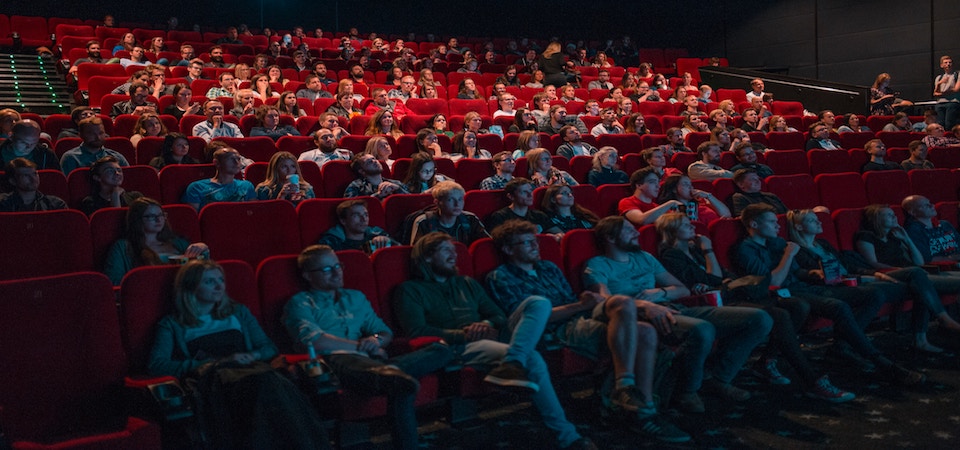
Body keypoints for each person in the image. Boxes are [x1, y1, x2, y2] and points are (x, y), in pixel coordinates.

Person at [484, 220, 691, 443]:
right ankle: (645, 413)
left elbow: (573, 302)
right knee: (645, 333)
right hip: (558, 328)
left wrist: (588, 303)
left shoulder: (548, 268)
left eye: (535, 241)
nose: (535, 246)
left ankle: (626, 388)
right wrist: (580, 306)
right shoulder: (501, 276)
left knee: (623, 303)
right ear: (507, 249)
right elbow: (530, 320)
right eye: (526, 243)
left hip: (580, 315)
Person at [395, 233, 599, 450]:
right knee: (532, 357)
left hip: (493, 335)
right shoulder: (409, 290)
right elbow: (417, 330)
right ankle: (568, 437)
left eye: (454, 250)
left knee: (538, 302)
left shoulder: (466, 283)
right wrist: (464, 333)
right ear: (427, 257)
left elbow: (498, 316)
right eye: (446, 250)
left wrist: (485, 323)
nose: (454, 255)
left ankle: (512, 363)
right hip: (460, 346)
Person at [656, 212, 856, 402]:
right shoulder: (671, 254)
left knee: (797, 305)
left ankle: (767, 361)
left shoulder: (694, 251)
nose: (692, 225)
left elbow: (717, 276)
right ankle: (812, 379)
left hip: (735, 292)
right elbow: (715, 278)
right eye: (684, 224)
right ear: (672, 230)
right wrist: (708, 251)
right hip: (720, 300)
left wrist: (709, 260)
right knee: (779, 315)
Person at [585, 216, 772, 412]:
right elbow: (605, 301)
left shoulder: (645, 258)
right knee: (702, 329)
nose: (637, 233)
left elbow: (682, 290)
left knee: (759, 319)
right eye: (629, 230)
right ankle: (687, 392)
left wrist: (659, 292)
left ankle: (718, 378)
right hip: (639, 316)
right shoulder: (597, 264)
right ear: (610, 238)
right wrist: (643, 305)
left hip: (672, 306)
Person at [148, 260, 331, 450]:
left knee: (271, 383)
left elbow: (268, 348)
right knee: (267, 385)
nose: (220, 286)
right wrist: (213, 362)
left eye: (221, 280)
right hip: (215, 379)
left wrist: (252, 355)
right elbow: (158, 364)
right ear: (190, 286)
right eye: (210, 282)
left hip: (252, 370)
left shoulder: (237, 312)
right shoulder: (172, 324)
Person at [733, 204, 925, 384]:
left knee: (872, 294)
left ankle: (842, 347)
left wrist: (813, 273)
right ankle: (881, 361)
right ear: (754, 224)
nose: (777, 226)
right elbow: (773, 282)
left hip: (804, 286)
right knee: (838, 306)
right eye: (772, 222)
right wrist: (788, 255)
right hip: (785, 294)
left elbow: (797, 272)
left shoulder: (777, 243)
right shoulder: (745, 249)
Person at [284, 246, 450, 449]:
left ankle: (390, 374)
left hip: (371, 361)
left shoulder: (355, 298)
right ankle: (391, 377)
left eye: (338, 266)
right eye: (327, 269)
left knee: (440, 349)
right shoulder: (300, 302)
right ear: (308, 276)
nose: (337, 272)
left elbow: (384, 332)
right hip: (333, 363)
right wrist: (360, 346)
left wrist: (376, 341)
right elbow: (312, 340)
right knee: (398, 383)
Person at [789, 208, 951, 354]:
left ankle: (934, 326)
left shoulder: (822, 244)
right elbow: (828, 277)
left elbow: (849, 266)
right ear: (798, 227)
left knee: (917, 275)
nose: (818, 221)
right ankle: (926, 333)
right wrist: (868, 277)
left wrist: (875, 274)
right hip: (848, 284)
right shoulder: (798, 251)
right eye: (812, 220)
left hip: (861, 277)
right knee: (918, 285)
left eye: (817, 218)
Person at [103, 197, 208, 285]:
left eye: (161, 215)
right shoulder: (123, 247)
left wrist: (203, 248)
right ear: (137, 220)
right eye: (151, 216)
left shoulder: (177, 242)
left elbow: (202, 269)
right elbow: (115, 282)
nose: (158, 220)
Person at [408, 181, 488, 245]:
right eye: (451, 200)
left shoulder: (470, 219)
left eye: (460, 199)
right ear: (437, 202)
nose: (457, 204)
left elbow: (486, 244)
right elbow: (418, 254)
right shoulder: (424, 222)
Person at [183, 147, 256, 210]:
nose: (236, 162)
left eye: (238, 159)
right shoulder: (197, 187)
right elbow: (193, 218)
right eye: (231, 159)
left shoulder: (247, 186)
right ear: (217, 163)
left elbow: (252, 213)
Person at [318, 200, 397, 253]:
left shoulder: (377, 234)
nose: (363, 219)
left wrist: (388, 241)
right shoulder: (332, 242)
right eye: (356, 215)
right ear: (343, 221)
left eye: (366, 215)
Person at [60, 117, 129, 175]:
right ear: (81, 135)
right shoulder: (71, 158)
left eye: (101, 133)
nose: (98, 137)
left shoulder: (117, 157)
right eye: (91, 134)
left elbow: (129, 180)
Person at [485, 178, 556, 234]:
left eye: (530, 191)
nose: (530, 195)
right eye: (524, 192)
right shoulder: (500, 217)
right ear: (511, 196)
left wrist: (556, 236)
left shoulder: (539, 215)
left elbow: (558, 233)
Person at [658, 173, 731, 224]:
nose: (691, 187)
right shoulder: (668, 209)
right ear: (674, 189)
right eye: (685, 184)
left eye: (691, 185)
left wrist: (708, 196)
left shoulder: (702, 202)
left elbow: (726, 215)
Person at [0, 158, 66, 212]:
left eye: (35, 174)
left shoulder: (55, 205)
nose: (33, 179)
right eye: (26, 175)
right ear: (13, 181)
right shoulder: (3, 204)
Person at [344, 153, 408, 199]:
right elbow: (351, 207)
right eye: (369, 162)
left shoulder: (396, 183)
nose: (374, 161)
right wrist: (378, 195)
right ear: (361, 171)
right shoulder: (356, 186)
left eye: (374, 159)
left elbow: (413, 200)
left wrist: (398, 189)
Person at [934, 55, 960, 129]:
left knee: (949, 124)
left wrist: (942, 92)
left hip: (953, 102)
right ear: (941, 65)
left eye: (950, 62)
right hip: (940, 103)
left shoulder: (957, 74)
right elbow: (935, 93)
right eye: (945, 63)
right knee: (940, 125)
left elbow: (956, 89)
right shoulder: (939, 78)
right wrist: (939, 83)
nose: (948, 64)